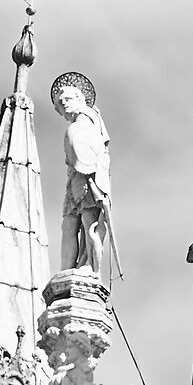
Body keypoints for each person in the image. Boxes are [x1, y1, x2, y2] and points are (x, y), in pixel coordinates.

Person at [52, 71, 119, 281]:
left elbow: (95, 156)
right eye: (59, 104)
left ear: (80, 99)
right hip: (75, 179)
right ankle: (67, 270)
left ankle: (91, 267)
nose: (64, 105)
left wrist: (97, 184)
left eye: (66, 100)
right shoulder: (79, 127)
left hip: (90, 180)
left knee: (90, 224)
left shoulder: (90, 124)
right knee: (69, 225)